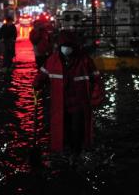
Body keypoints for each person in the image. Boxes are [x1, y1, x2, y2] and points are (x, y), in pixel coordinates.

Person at [33, 30, 105, 165]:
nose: (67, 48)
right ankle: (66, 152)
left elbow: (96, 79)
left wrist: (96, 97)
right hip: (60, 104)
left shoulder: (84, 61)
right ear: (59, 46)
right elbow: (42, 75)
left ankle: (75, 153)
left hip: (79, 103)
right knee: (63, 129)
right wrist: (37, 84)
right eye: (64, 45)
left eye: (69, 45)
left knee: (77, 129)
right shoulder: (53, 60)